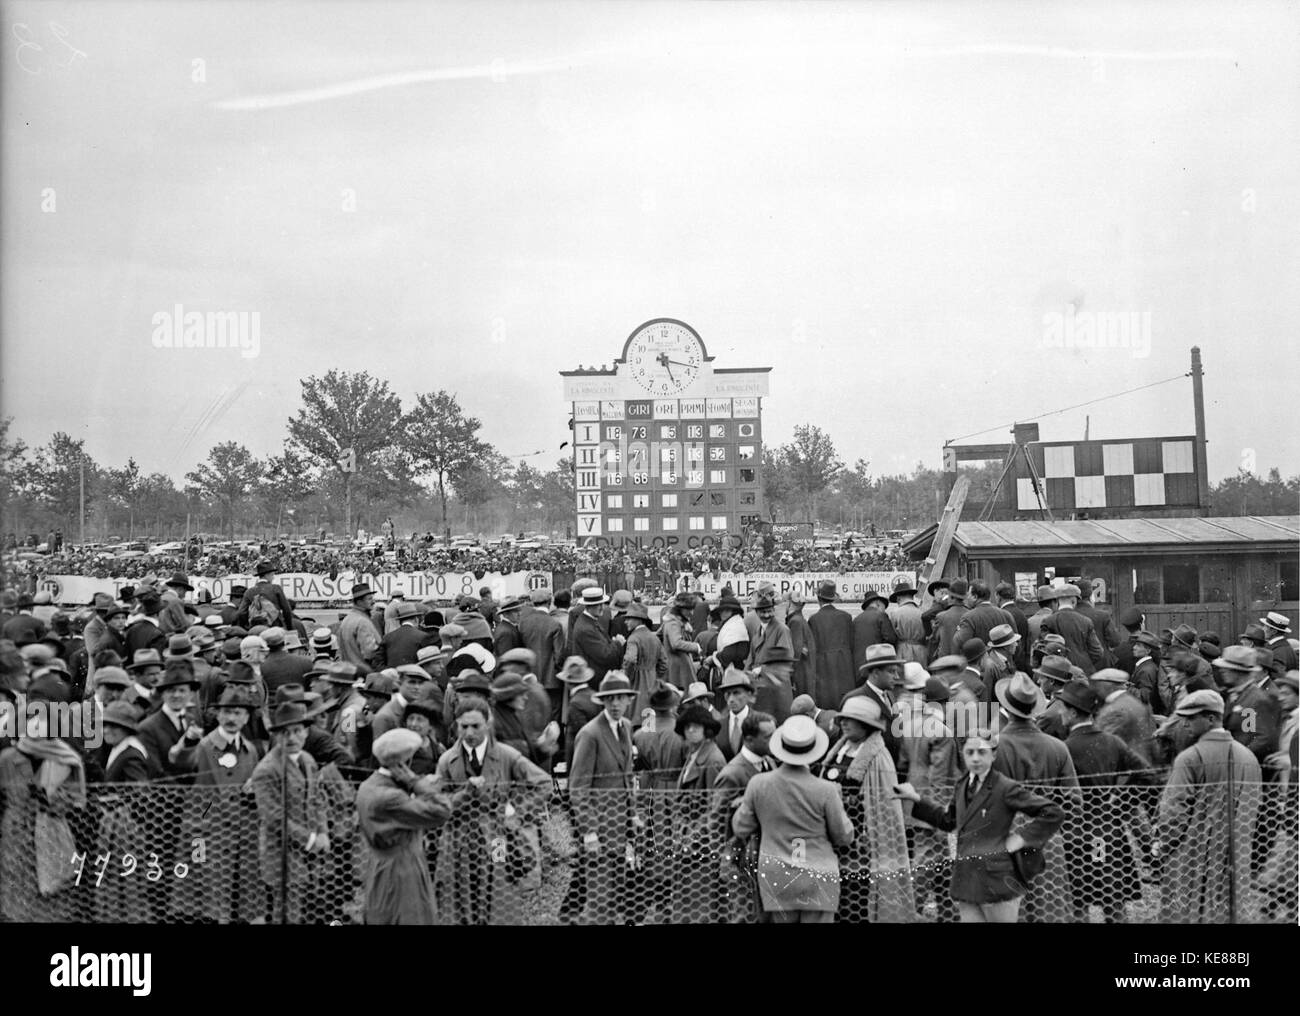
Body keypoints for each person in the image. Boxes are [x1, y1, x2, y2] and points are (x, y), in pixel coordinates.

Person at [894, 730, 1065, 923]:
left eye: (982, 752)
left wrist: (1021, 838)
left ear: (993, 755)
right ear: (963, 755)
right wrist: (916, 798)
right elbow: (949, 821)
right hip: (967, 881)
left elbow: (1052, 812)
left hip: (997, 881)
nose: (975, 758)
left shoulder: (1005, 788)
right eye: (970, 752)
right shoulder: (962, 785)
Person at [431, 699, 552, 925]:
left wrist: (516, 813)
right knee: (460, 898)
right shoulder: (447, 760)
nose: (468, 733)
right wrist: (459, 797)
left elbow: (544, 784)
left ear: (488, 724)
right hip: (458, 839)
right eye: (463, 726)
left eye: (475, 726)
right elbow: (436, 803)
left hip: (498, 837)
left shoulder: (506, 756)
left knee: (498, 891)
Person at [732, 714, 854, 923]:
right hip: (818, 875)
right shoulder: (826, 790)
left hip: (777, 877)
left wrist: (745, 804)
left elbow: (741, 828)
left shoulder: (758, 784)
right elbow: (844, 836)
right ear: (813, 750)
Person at [1154, 689, 1262, 923]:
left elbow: (1173, 812)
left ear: (1212, 718)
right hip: (1235, 857)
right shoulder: (1249, 758)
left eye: (1192, 718)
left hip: (1190, 858)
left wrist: (1162, 846)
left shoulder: (1189, 757)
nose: (1185, 724)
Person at [1057, 680, 1153, 923]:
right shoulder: (1113, 742)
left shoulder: (1064, 748)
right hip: (1107, 833)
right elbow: (1147, 775)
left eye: (1062, 708)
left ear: (1072, 712)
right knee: (1112, 899)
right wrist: (1119, 803)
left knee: (1078, 901)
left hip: (1075, 835)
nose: (1059, 713)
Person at [991, 672, 1081, 923]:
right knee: (1049, 910)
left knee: (1010, 911)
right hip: (1047, 837)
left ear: (1005, 707)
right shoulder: (1058, 747)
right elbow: (1075, 801)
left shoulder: (994, 747)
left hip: (1006, 836)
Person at [169, 684, 262, 922]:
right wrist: (187, 742)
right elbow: (180, 761)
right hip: (204, 833)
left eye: (238, 712)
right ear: (218, 715)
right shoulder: (203, 745)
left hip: (241, 837)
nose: (231, 718)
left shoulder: (250, 750)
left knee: (242, 899)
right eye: (227, 712)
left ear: (246, 717)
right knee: (205, 898)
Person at [821, 695, 914, 923]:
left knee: (856, 899)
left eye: (850, 720)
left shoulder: (878, 758)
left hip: (862, 844)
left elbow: (884, 806)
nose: (843, 723)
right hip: (831, 842)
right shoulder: (838, 749)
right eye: (842, 719)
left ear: (866, 725)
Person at [0, 701, 87, 922]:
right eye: (33, 721)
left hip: (52, 832)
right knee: (19, 894)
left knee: (53, 899)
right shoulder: (7, 758)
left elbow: (75, 798)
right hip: (17, 834)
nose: (38, 726)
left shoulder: (64, 758)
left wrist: (55, 801)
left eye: (44, 722)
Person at [356, 728, 453, 924]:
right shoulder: (390, 797)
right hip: (403, 871)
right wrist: (416, 783)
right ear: (404, 763)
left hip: (382, 867)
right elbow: (442, 810)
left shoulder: (368, 786)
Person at [568, 671, 640, 925]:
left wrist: (633, 814)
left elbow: (627, 775)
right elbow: (578, 788)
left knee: (614, 892)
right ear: (603, 701)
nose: (616, 704)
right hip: (598, 828)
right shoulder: (590, 734)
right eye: (611, 699)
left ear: (629, 700)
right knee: (598, 896)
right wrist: (589, 831)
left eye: (621, 698)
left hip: (620, 825)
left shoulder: (627, 727)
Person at [251, 699, 329, 923]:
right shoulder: (266, 770)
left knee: (308, 907)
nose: (292, 738)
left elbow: (317, 799)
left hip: (310, 853)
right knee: (286, 911)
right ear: (277, 736)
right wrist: (310, 839)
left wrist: (322, 832)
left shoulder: (307, 760)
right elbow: (273, 817)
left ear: (306, 732)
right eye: (285, 733)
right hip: (281, 852)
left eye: (297, 731)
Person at [711, 710, 776, 923]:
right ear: (749, 739)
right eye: (768, 737)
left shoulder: (769, 763)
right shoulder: (732, 774)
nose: (774, 740)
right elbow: (717, 822)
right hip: (741, 864)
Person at [670, 704, 726, 923]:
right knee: (686, 901)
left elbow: (716, 807)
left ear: (707, 730)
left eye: (696, 727)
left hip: (700, 844)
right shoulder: (694, 754)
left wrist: (694, 836)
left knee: (699, 904)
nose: (690, 731)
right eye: (687, 727)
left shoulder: (712, 760)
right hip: (686, 840)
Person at [807, 580, 855, 709]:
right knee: (846, 700)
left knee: (826, 700)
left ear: (818, 598)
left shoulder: (814, 619)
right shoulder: (846, 617)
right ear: (833, 598)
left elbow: (813, 646)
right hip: (845, 662)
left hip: (824, 664)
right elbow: (851, 642)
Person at [1041, 584, 1105, 675]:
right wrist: (1084, 662)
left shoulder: (1048, 621)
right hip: (1084, 672)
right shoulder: (1086, 621)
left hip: (1059, 672)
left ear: (1058, 601)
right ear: (1074, 601)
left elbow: (1045, 649)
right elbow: (1097, 652)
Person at [621, 601, 667, 721]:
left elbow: (630, 659)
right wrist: (655, 675)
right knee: (649, 721)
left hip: (636, 685)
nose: (625, 621)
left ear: (639, 620)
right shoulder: (654, 637)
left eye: (629, 618)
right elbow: (664, 663)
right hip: (652, 683)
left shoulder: (633, 638)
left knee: (634, 719)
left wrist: (627, 677)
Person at [570, 587, 626, 685]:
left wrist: (612, 642)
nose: (602, 607)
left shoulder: (590, 621)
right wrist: (618, 643)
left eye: (602, 604)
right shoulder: (586, 628)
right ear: (588, 606)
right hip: (593, 681)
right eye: (597, 605)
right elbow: (605, 655)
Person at [783, 591, 817, 700]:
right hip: (805, 669)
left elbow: (796, 651)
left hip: (800, 673)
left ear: (790, 604)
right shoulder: (799, 619)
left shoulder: (794, 621)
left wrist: (790, 674)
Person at [338, 583, 381, 668]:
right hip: (363, 671)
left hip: (348, 671)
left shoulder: (347, 619)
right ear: (359, 602)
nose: (373, 601)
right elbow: (370, 653)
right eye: (369, 599)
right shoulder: (362, 621)